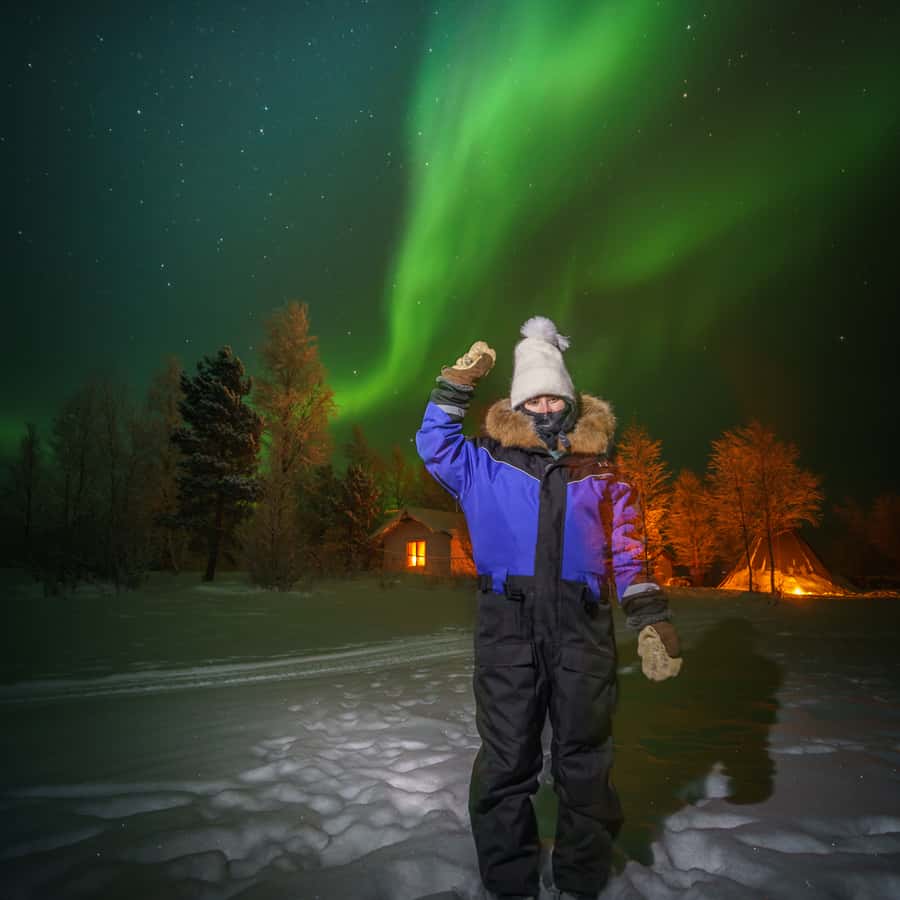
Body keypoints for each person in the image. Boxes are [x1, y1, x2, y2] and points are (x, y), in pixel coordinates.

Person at [415, 316, 682, 900]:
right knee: (506, 760)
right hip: (507, 629)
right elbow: (433, 444)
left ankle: (581, 881)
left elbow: (630, 554)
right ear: (517, 404)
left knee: (584, 761)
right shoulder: (482, 464)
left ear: (570, 400)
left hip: (581, 629)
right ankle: (509, 884)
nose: (543, 407)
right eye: (532, 398)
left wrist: (650, 619)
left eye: (552, 397)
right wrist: (454, 386)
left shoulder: (604, 475)